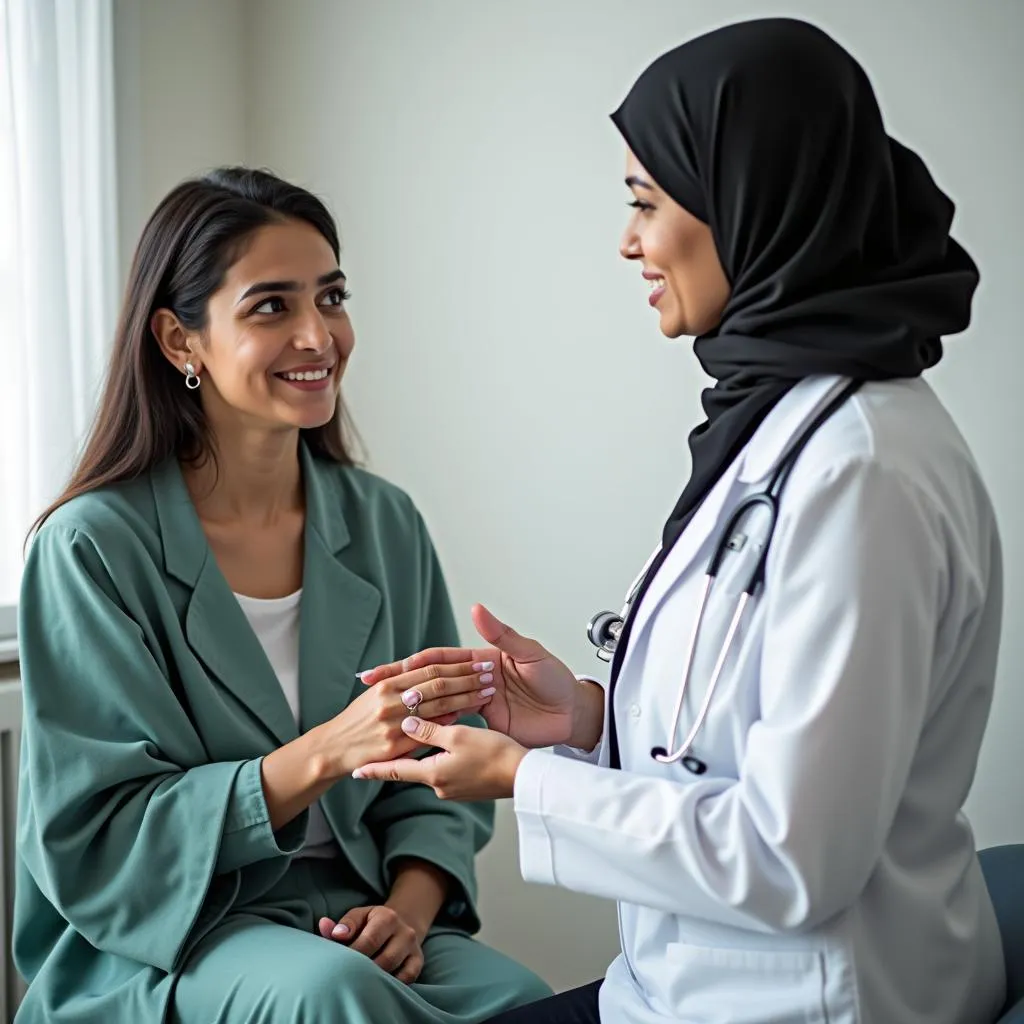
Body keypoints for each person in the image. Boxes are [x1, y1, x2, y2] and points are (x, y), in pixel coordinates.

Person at [350, 18, 1006, 1024]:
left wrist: (528, 781)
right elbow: (760, 734)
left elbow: (793, 857)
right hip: (691, 986)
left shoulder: (860, 470)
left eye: (645, 203)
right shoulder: (781, 420)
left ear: (749, 204)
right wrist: (589, 721)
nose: (627, 241)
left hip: (816, 1000)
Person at [13, 167, 551, 1023]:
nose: (319, 335)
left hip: (360, 905)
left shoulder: (384, 524)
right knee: (330, 996)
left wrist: (407, 917)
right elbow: (100, 836)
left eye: (330, 298)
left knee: (523, 1000)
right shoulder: (91, 547)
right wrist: (327, 751)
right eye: (272, 306)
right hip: (170, 937)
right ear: (180, 340)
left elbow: (440, 772)